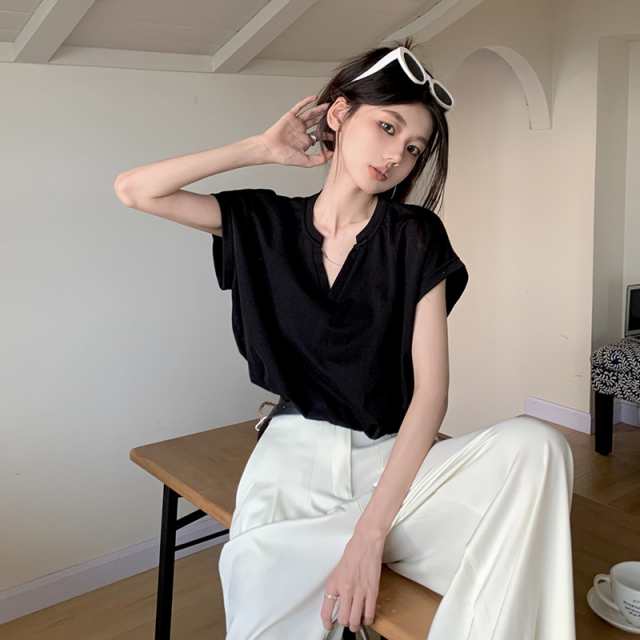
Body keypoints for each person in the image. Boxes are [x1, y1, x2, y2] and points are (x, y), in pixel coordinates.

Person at [114, 37, 576, 640]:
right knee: (267, 604)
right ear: (338, 114)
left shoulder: (414, 236)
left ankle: (383, 551)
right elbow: (136, 190)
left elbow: (430, 397)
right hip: (292, 463)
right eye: (387, 127)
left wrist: (368, 537)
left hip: (394, 471)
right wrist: (260, 148)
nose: (396, 155)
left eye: (413, 148)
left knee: (537, 446)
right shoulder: (263, 223)